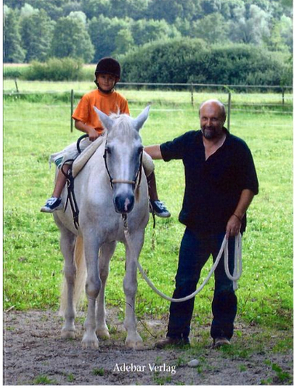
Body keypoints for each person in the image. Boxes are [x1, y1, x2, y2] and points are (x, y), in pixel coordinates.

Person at [144, 99, 259, 348]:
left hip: (226, 231)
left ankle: (221, 335)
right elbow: (161, 151)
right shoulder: (190, 141)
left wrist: (237, 217)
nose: (209, 123)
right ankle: (176, 335)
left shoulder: (238, 148)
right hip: (194, 228)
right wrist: (130, 149)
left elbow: (250, 187)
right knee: (184, 281)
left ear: (223, 120)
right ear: (200, 119)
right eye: (205, 118)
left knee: (225, 285)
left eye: (214, 119)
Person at [41, 57, 170, 218]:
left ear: (116, 80)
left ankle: (154, 201)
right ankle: (55, 197)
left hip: (115, 141)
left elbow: (125, 125)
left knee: (148, 163)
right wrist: (89, 129)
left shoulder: (121, 100)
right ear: (97, 78)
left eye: (110, 78)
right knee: (67, 160)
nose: (106, 81)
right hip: (92, 140)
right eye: (103, 77)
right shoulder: (89, 98)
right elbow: (78, 122)